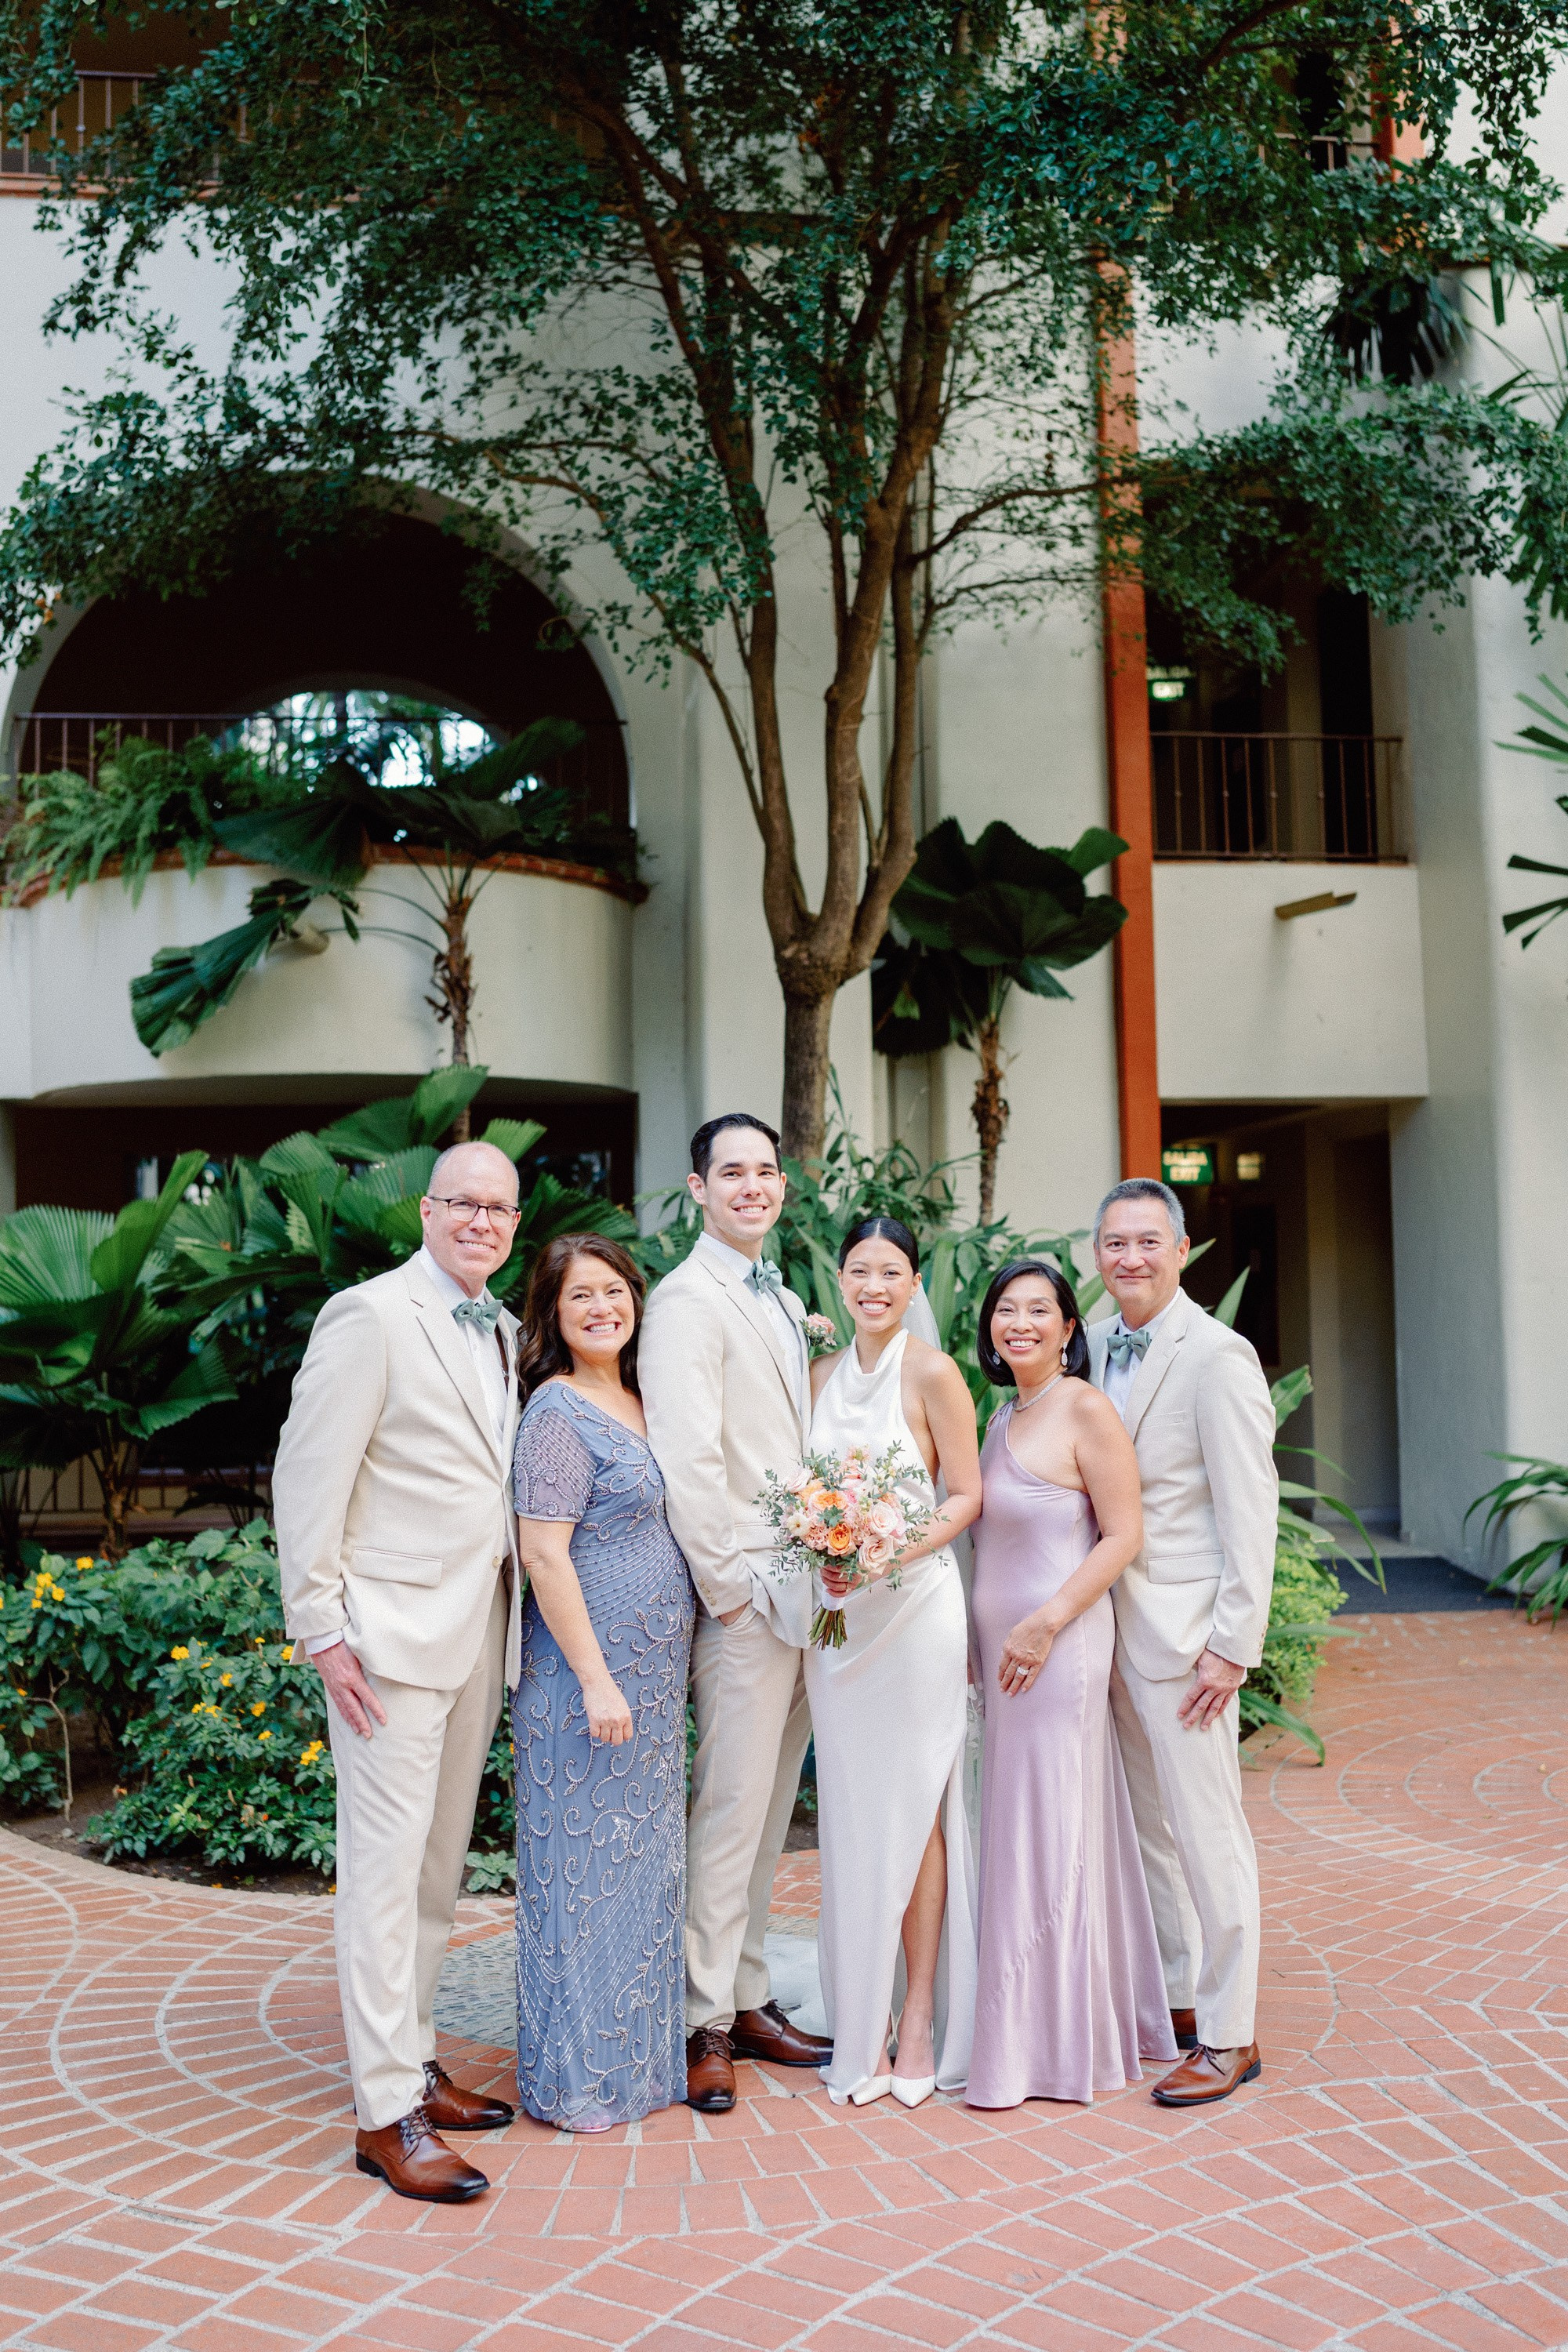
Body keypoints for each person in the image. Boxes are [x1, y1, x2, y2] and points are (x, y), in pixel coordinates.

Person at [272, 1143, 524, 2203]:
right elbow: (307, 1471)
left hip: (475, 1635)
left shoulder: (505, 1329)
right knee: (381, 1880)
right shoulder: (369, 1315)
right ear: (425, 1210)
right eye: (463, 1202)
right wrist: (321, 1628)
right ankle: (386, 2115)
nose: (481, 1220)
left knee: (433, 1873)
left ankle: (416, 2056)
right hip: (385, 1641)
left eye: (499, 1207)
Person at [638, 1112, 834, 2114]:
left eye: (765, 1171)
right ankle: (698, 2021)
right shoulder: (684, 1303)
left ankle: (748, 1993)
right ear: (698, 1188)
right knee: (726, 1811)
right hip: (747, 1596)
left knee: (768, 1813)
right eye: (732, 1172)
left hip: (808, 1589)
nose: (752, 1186)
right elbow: (687, 1457)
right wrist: (729, 1589)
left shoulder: (783, 1296)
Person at [967, 1258, 1175, 2108]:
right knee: (1020, 1824)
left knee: (1051, 1828)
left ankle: (1050, 2047)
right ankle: (1032, 2022)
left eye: (1037, 1310)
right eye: (1004, 1309)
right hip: (1002, 1655)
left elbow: (1119, 1535)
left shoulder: (1084, 1408)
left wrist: (1046, 1622)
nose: (1019, 1322)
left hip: (1057, 1649)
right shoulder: (997, 1416)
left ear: (1065, 1328)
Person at [1088, 1177, 1278, 2107]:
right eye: (1114, 1243)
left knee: (1208, 1832)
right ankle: (1178, 2000)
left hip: (1186, 1637)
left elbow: (1251, 1511)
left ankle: (1232, 2033)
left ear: (1180, 1249)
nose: (1130, 1258)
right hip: (1109, 1631)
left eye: (1147, 1242)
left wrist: (1231, 1645)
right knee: (1149, 1831)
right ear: (1097, 1254)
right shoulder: (1086, 1346)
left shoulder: (1217, 1355)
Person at [510, 1236, 695, 2132]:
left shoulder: (639, 1396)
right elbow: (543, 1549)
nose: (600, 1308)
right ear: (551, 1310)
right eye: (579, 1295)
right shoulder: (554, 1411)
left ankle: (640, 2067)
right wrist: (595, 1679)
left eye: (614, 1291)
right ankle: (577, 2081)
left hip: (653, 1689)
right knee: (578, 1878)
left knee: (640, 1871)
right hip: (588, 1684)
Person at [805, 1217, 982, 2107]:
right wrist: (826, 1553)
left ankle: (914, 2018)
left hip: (914, 1614)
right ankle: (860, 2015)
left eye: (891, 1271)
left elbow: (966, 1493)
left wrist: (891, 1550)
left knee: (916, 1813)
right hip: (837, 1629)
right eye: (858, 1269)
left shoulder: (932, 1371)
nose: (873, 1284)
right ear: (839, 1279)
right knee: (850, 1814)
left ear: (913, 1283)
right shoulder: (817, 1376)